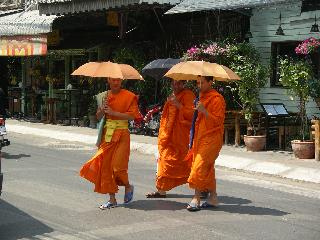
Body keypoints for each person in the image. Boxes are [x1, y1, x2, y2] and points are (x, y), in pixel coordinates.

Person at [80, 78, 142, 209]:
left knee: (118, 167)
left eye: (118, 80)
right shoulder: (104, 96)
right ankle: (112, 199)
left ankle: (128, 186)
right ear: (108, 80)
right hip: (108, 135)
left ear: (121, 81)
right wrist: (102, 109)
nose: (115, 82)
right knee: (106, 167)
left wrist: (114, 113)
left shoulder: (129, 96)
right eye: (113, 80)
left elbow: (132, 116)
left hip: (122, 134)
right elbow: (98, 116)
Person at [146, 80, 195, 198]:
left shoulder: (188, 95)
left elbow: (192, 115)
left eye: (179, 83)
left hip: (182, 138)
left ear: (184, 84)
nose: (176, 85)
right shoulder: (172, 96)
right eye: (174, 83)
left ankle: (202, 187)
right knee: (164, 160)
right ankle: (161, 190)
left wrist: (178, 105)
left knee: (189, 164)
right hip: (168, 137)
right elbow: (166, 116)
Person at [186, 76, 226, 211]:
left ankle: (196, 197)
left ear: (210, 82)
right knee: (208, 168)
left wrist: (204, 111)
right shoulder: (201, 97)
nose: (199, 85)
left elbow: (218, 121)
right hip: (200, 137)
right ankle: (213, 197)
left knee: (199, 165)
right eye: (197, 82)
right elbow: (198, 120)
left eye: (202, 82)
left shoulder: (217, 99)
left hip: (212, 138)